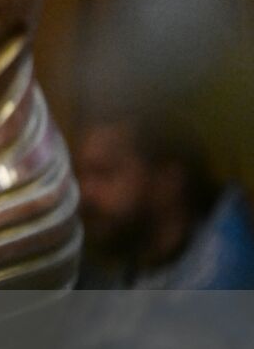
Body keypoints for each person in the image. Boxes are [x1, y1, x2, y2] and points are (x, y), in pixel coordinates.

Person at [75, 113, 254, 290]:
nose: (85, 194)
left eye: (105, 172)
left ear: (169, 178)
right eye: (81, 174)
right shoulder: (129, 270)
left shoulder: (228, 271)